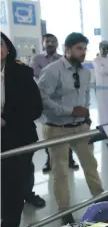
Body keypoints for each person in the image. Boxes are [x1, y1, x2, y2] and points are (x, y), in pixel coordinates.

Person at [38, 32, 104, 224]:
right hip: (56, 128)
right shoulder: (52, 71)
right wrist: (69, 110)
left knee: (90, 164)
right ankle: (64, 211)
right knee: (60, 171)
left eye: (84, 49)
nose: (83, 52)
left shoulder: (86, 72)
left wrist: (86, 117)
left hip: (80, 128)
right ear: (67, 50)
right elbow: (42, 98)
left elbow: (84, 96)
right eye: (79, 48)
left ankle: (100, 198)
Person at [1, 33, 43, 227]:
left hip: (17, 140)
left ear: (7, 48)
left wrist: (6, 120)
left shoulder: (21, 73)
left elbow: (35, 108)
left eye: (0, 44)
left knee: (12, 193)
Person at [31, 33, 79, 173]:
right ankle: (49, 161)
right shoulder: (37, 58)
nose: (50, 43)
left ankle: (69, 158)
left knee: (67, 129)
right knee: (49, 131)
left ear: (58, 44)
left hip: (64, 101)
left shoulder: (63, 59)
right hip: (45, 101)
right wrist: (57, 76)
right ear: (43, 43)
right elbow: (37, 74)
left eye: (53, 41)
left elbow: (69, 76)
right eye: (48, 41)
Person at [93, 40, 108, 125]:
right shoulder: (96, 60)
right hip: (101, 90)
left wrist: (107, 68)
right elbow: (102, 71)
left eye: (107, 48)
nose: (105, 50)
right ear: (100, 48)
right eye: (103, 48)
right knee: (103, 108)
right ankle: (103, 126)